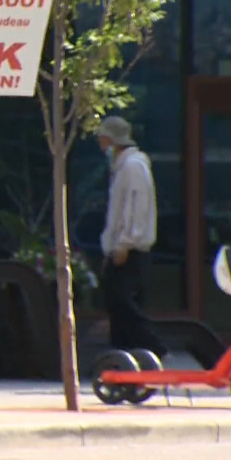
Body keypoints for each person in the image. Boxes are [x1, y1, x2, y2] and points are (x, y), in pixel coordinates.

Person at [96, 116, 167, 359]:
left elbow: (136, 207)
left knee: (124, 303)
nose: (101, 145)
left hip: (130, 250)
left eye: (103, 139)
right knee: (116, 306)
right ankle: (122, 356)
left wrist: (125, 242)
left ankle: (155, 348)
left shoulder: (133, 167)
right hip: (120, 248)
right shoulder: (122, 168)